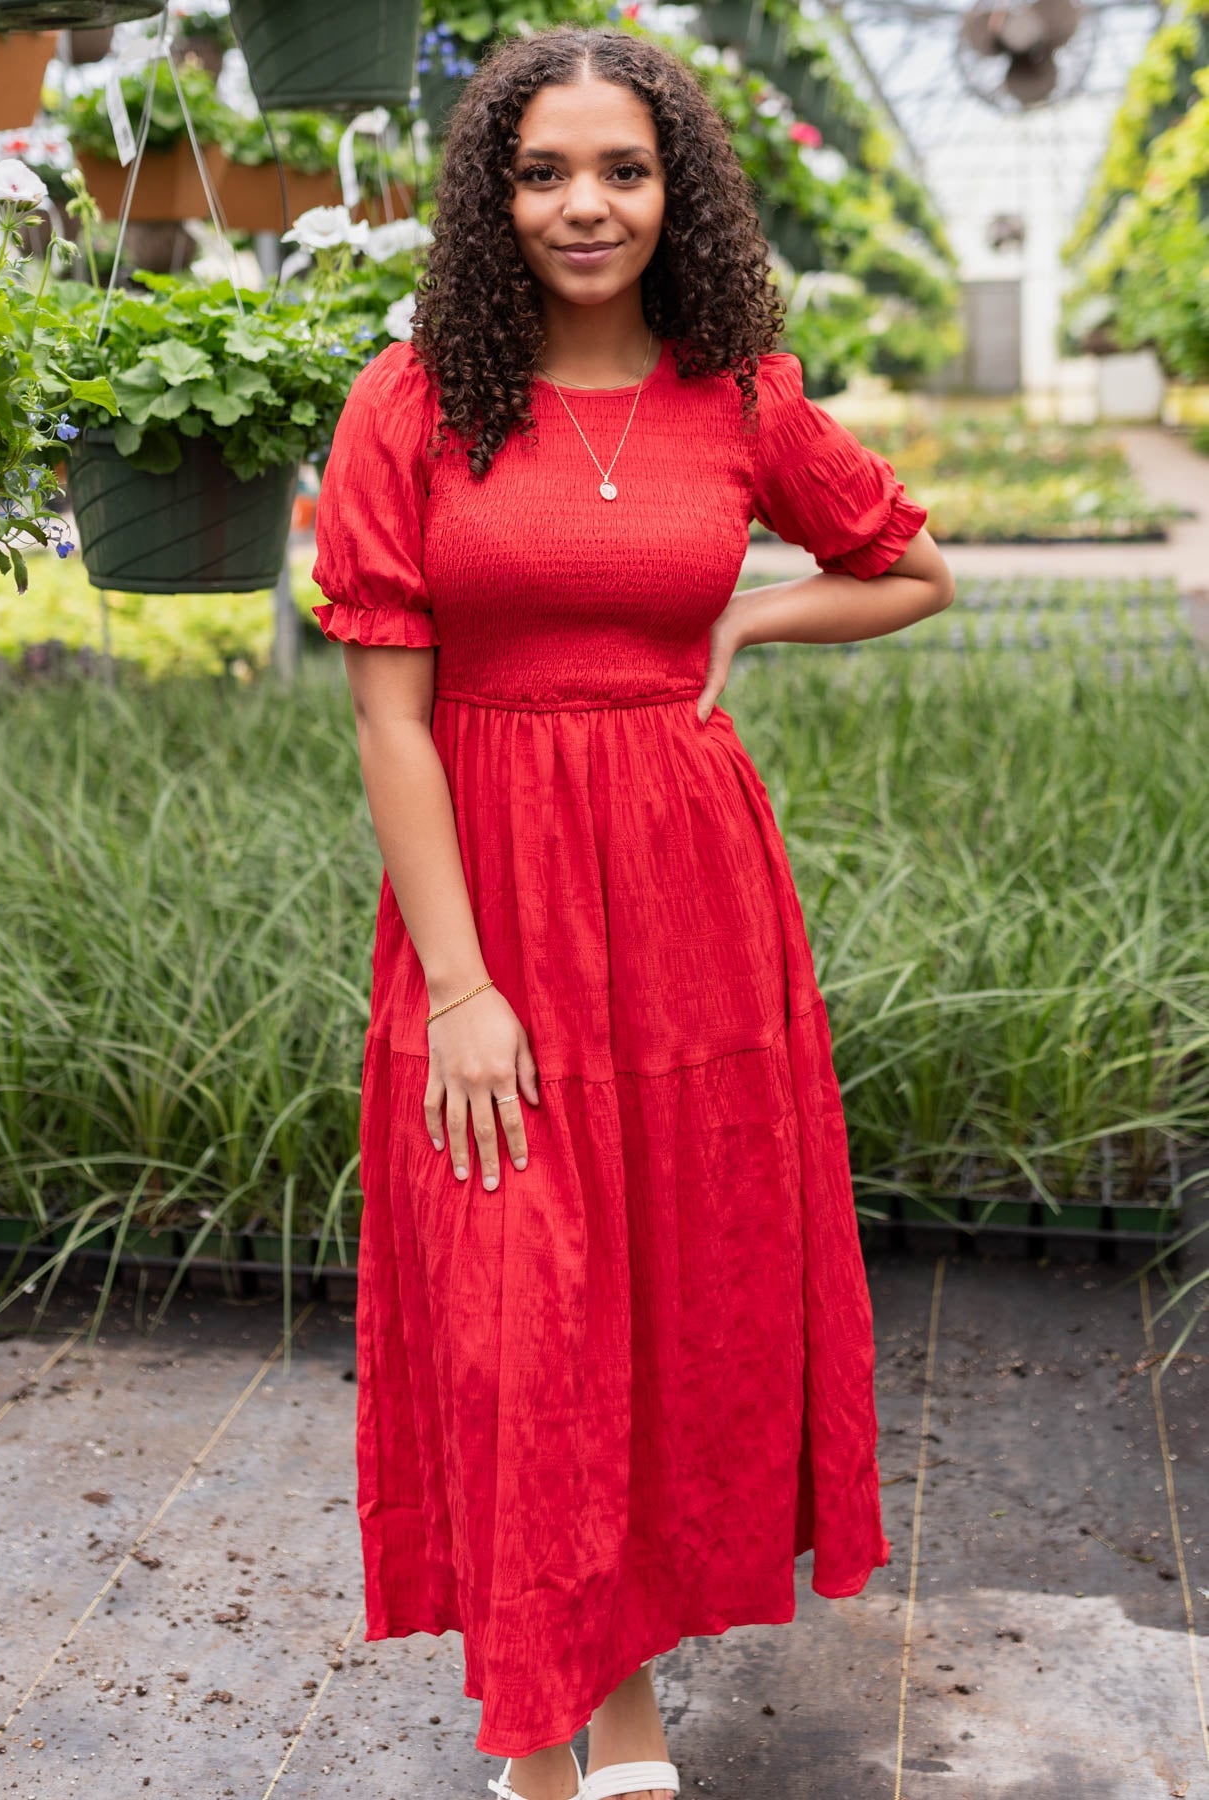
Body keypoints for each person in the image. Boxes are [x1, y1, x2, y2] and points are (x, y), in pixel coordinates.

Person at [311, 23, 954, 1800]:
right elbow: (385, 712)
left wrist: (744, 622)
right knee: (521, 1303)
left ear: (675, 190)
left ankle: (591, 1718)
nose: (583, 204)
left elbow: (906, 569)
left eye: (620, 168)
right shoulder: (412, 400)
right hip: (489, 901)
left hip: (687, 906)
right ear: (489, 196)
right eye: (541, 171)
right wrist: (458, 987)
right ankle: (569, 1725)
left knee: (663, 1306)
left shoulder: (740, 392)